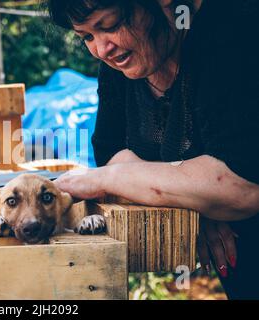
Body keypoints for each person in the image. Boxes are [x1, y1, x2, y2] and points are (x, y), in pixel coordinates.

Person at [48, 0, 259, 299]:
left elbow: (242, 184)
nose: (101, 49)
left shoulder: (236, 29)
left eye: (109, 25)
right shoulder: (122, 59)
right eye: (87, 37)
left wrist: (106, 180)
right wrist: (194, 199)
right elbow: (110, 148)